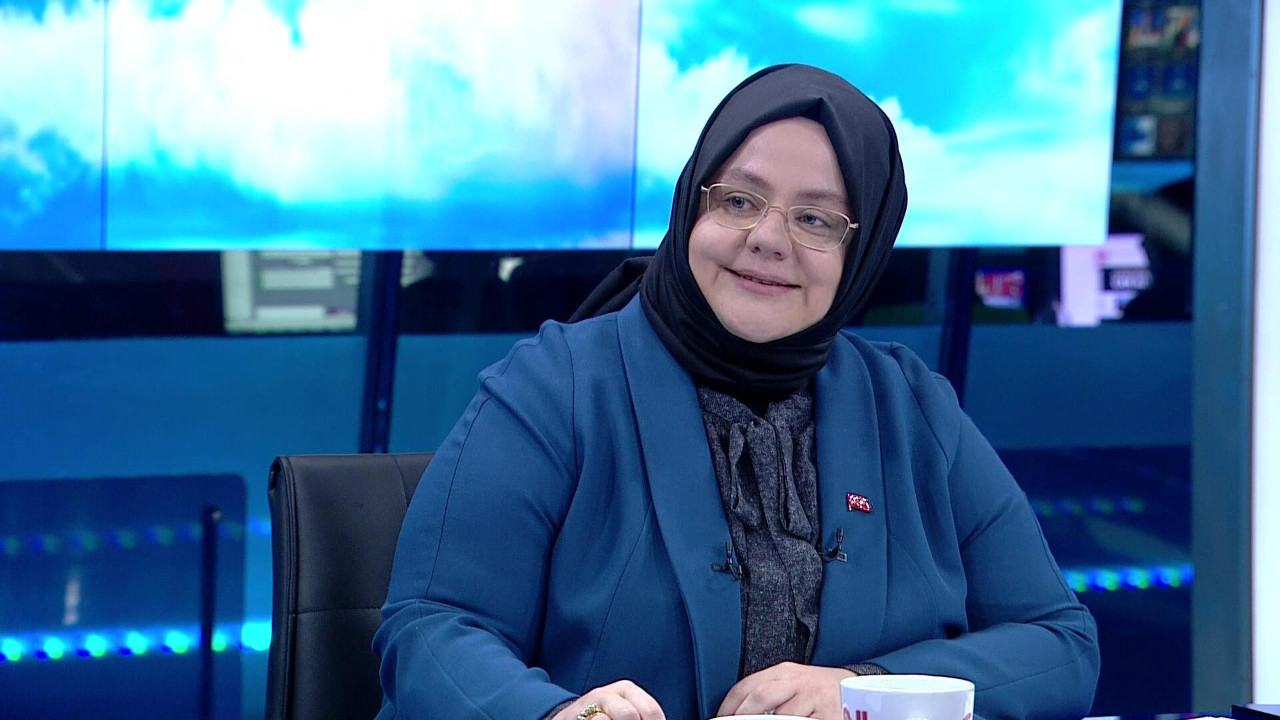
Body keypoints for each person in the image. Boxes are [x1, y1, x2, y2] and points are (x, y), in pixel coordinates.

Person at [374, 64, 1100, 720]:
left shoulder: (912, 409)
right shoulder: (553, 386)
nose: (767, 238)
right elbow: (432, 627)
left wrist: (861, 690)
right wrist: (558, 715)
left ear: (862, 250)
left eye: (815, 219)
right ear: (694, 205)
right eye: (740, 200)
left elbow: (1059, 644)